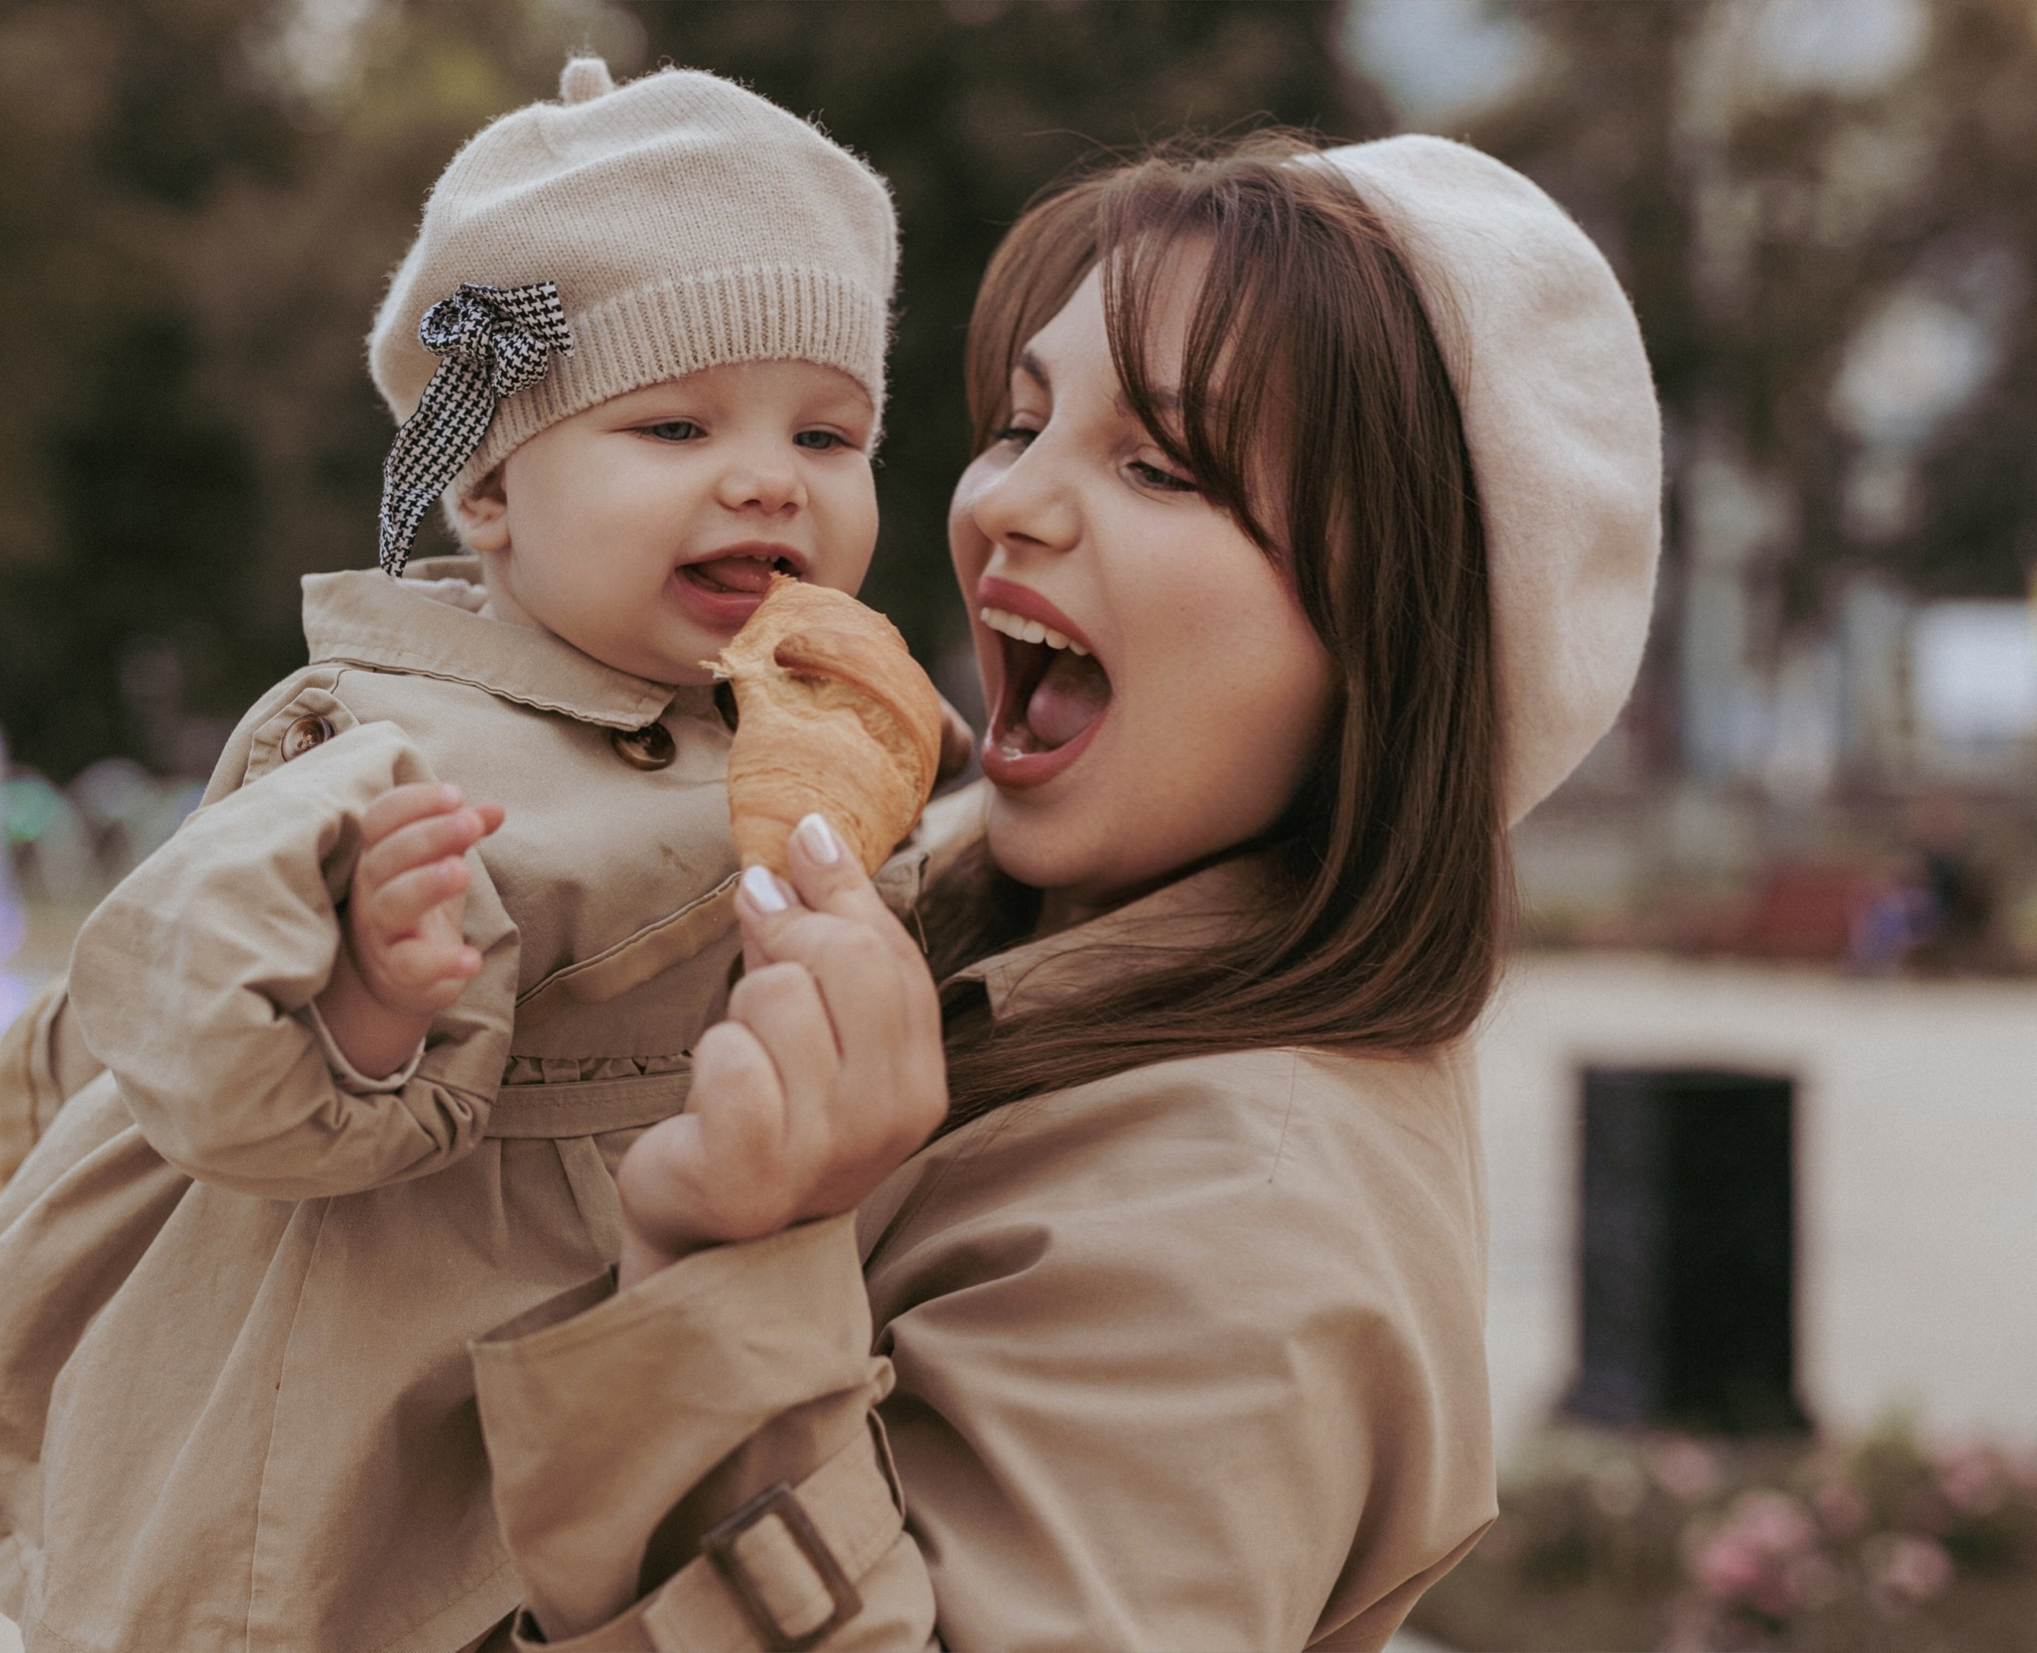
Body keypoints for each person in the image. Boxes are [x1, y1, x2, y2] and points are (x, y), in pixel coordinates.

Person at [457, 130, 1660, 1650]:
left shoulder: (1246, 1220)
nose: (1008, 503)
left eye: (1157, 463)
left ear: (1391, 639)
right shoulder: (938, 895)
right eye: (1021, 423)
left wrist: (733, 1262)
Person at [0, 60, 914, 1653]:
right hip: (369, 1445)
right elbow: (188, 1045)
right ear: (488, 490)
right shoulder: (389, 747)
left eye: (826, 434)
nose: (768, 476)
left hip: (641, 1404)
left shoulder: (827, 731)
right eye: (676, 422)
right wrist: (364, 998)